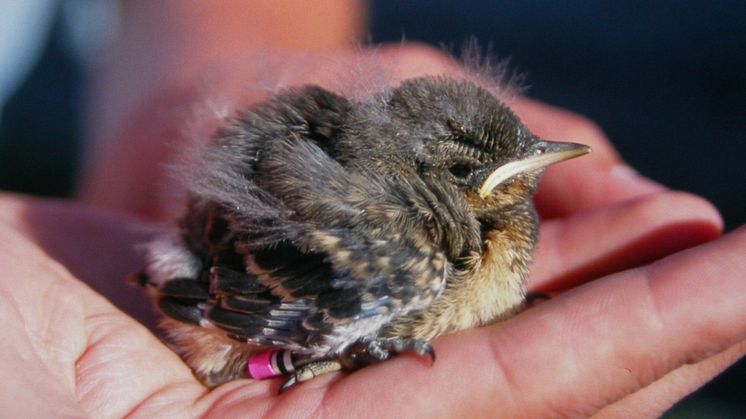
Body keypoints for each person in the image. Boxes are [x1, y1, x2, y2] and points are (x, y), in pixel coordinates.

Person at [0, 2, 743, 417]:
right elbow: (216, 298)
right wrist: (272, 344)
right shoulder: (415, 248)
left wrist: (167, 110)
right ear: (464, 191)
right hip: (232, 272)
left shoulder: (484, 217)